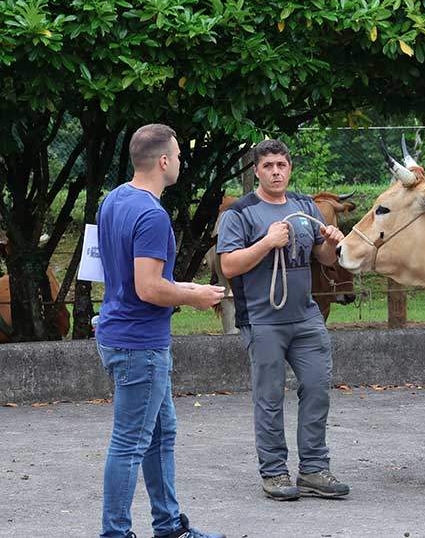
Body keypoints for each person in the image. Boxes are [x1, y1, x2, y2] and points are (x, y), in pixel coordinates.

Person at [95, 123, 226, 538]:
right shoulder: (152, 215)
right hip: (140, 346)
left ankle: (169, 527)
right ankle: (114, 534)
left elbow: (125, 276)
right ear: (164, 161)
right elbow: (148, 287)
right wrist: (194, 297)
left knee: (160, 432)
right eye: (179, 156)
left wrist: (187, 287)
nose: (181, 163)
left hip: (118, 334)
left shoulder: (115, 199)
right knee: (130, 443)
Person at [216, 139, 350, 501]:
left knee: (317, 388)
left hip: (305, 317)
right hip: (263, 319)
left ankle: (314, 469)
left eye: (282, 165)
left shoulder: (305, 207)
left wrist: (332, 243)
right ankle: (274, 472)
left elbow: (321, 258)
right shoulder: (240, 213)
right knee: (269, 397)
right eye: (268, 166)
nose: (276, 171)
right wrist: (267, 242)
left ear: (290, 168)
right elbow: (228, 265)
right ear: (256, 171)